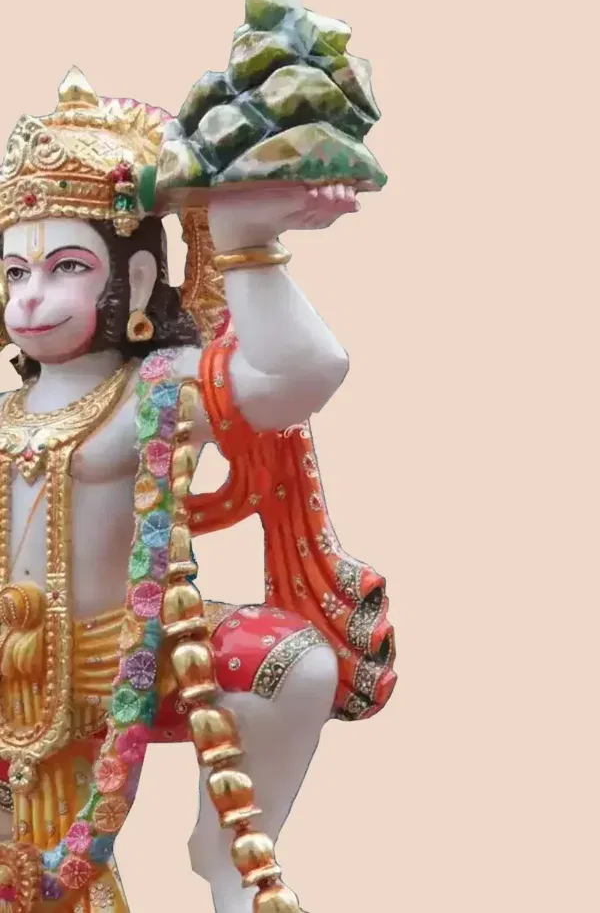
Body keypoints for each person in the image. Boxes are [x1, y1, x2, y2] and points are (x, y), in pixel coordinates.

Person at [0, 66, 395, 912]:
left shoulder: (157, 388)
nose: (31, 300)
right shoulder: (7, 412)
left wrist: (246, 242)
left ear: (138, 281)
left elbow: (304, 372)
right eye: (15, 275)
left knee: (293, 666)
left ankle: (226, 859)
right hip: (9, 666)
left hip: (128, 656)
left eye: (65, 268)